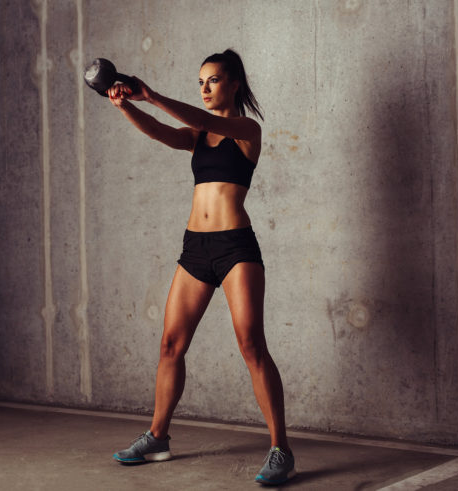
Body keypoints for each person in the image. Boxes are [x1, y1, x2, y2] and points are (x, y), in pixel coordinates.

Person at [107, 49, 296, 486]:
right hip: (195, 248)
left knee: (251, 345)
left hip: (235, 248)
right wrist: (127, 105)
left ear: (233, 83)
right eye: (200, 82)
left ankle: (281, 450)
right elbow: (161, 133)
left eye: (212, 81)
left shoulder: (246, 129)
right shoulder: (197, 133)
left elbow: (207, 121)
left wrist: (151, 94)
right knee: (171, 345)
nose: (205, 88)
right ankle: (157, 436)